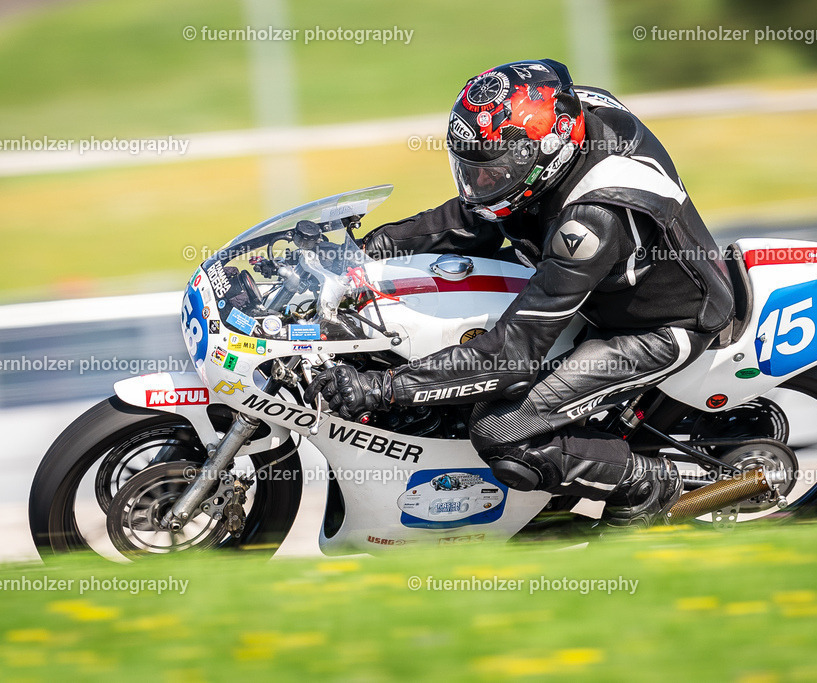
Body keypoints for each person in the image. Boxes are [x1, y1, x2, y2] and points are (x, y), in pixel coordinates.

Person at [305, 59, 734, 527]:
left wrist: (383, 389)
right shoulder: (562, 120)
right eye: (471, 167)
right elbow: (475, 219)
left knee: (502, 432)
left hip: (658, 326)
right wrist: (363, 251)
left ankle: (646, 483)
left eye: (496, 170)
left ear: (547, 154)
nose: (480, 182)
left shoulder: (589, 222)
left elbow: (509, 355)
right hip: (587, 282)